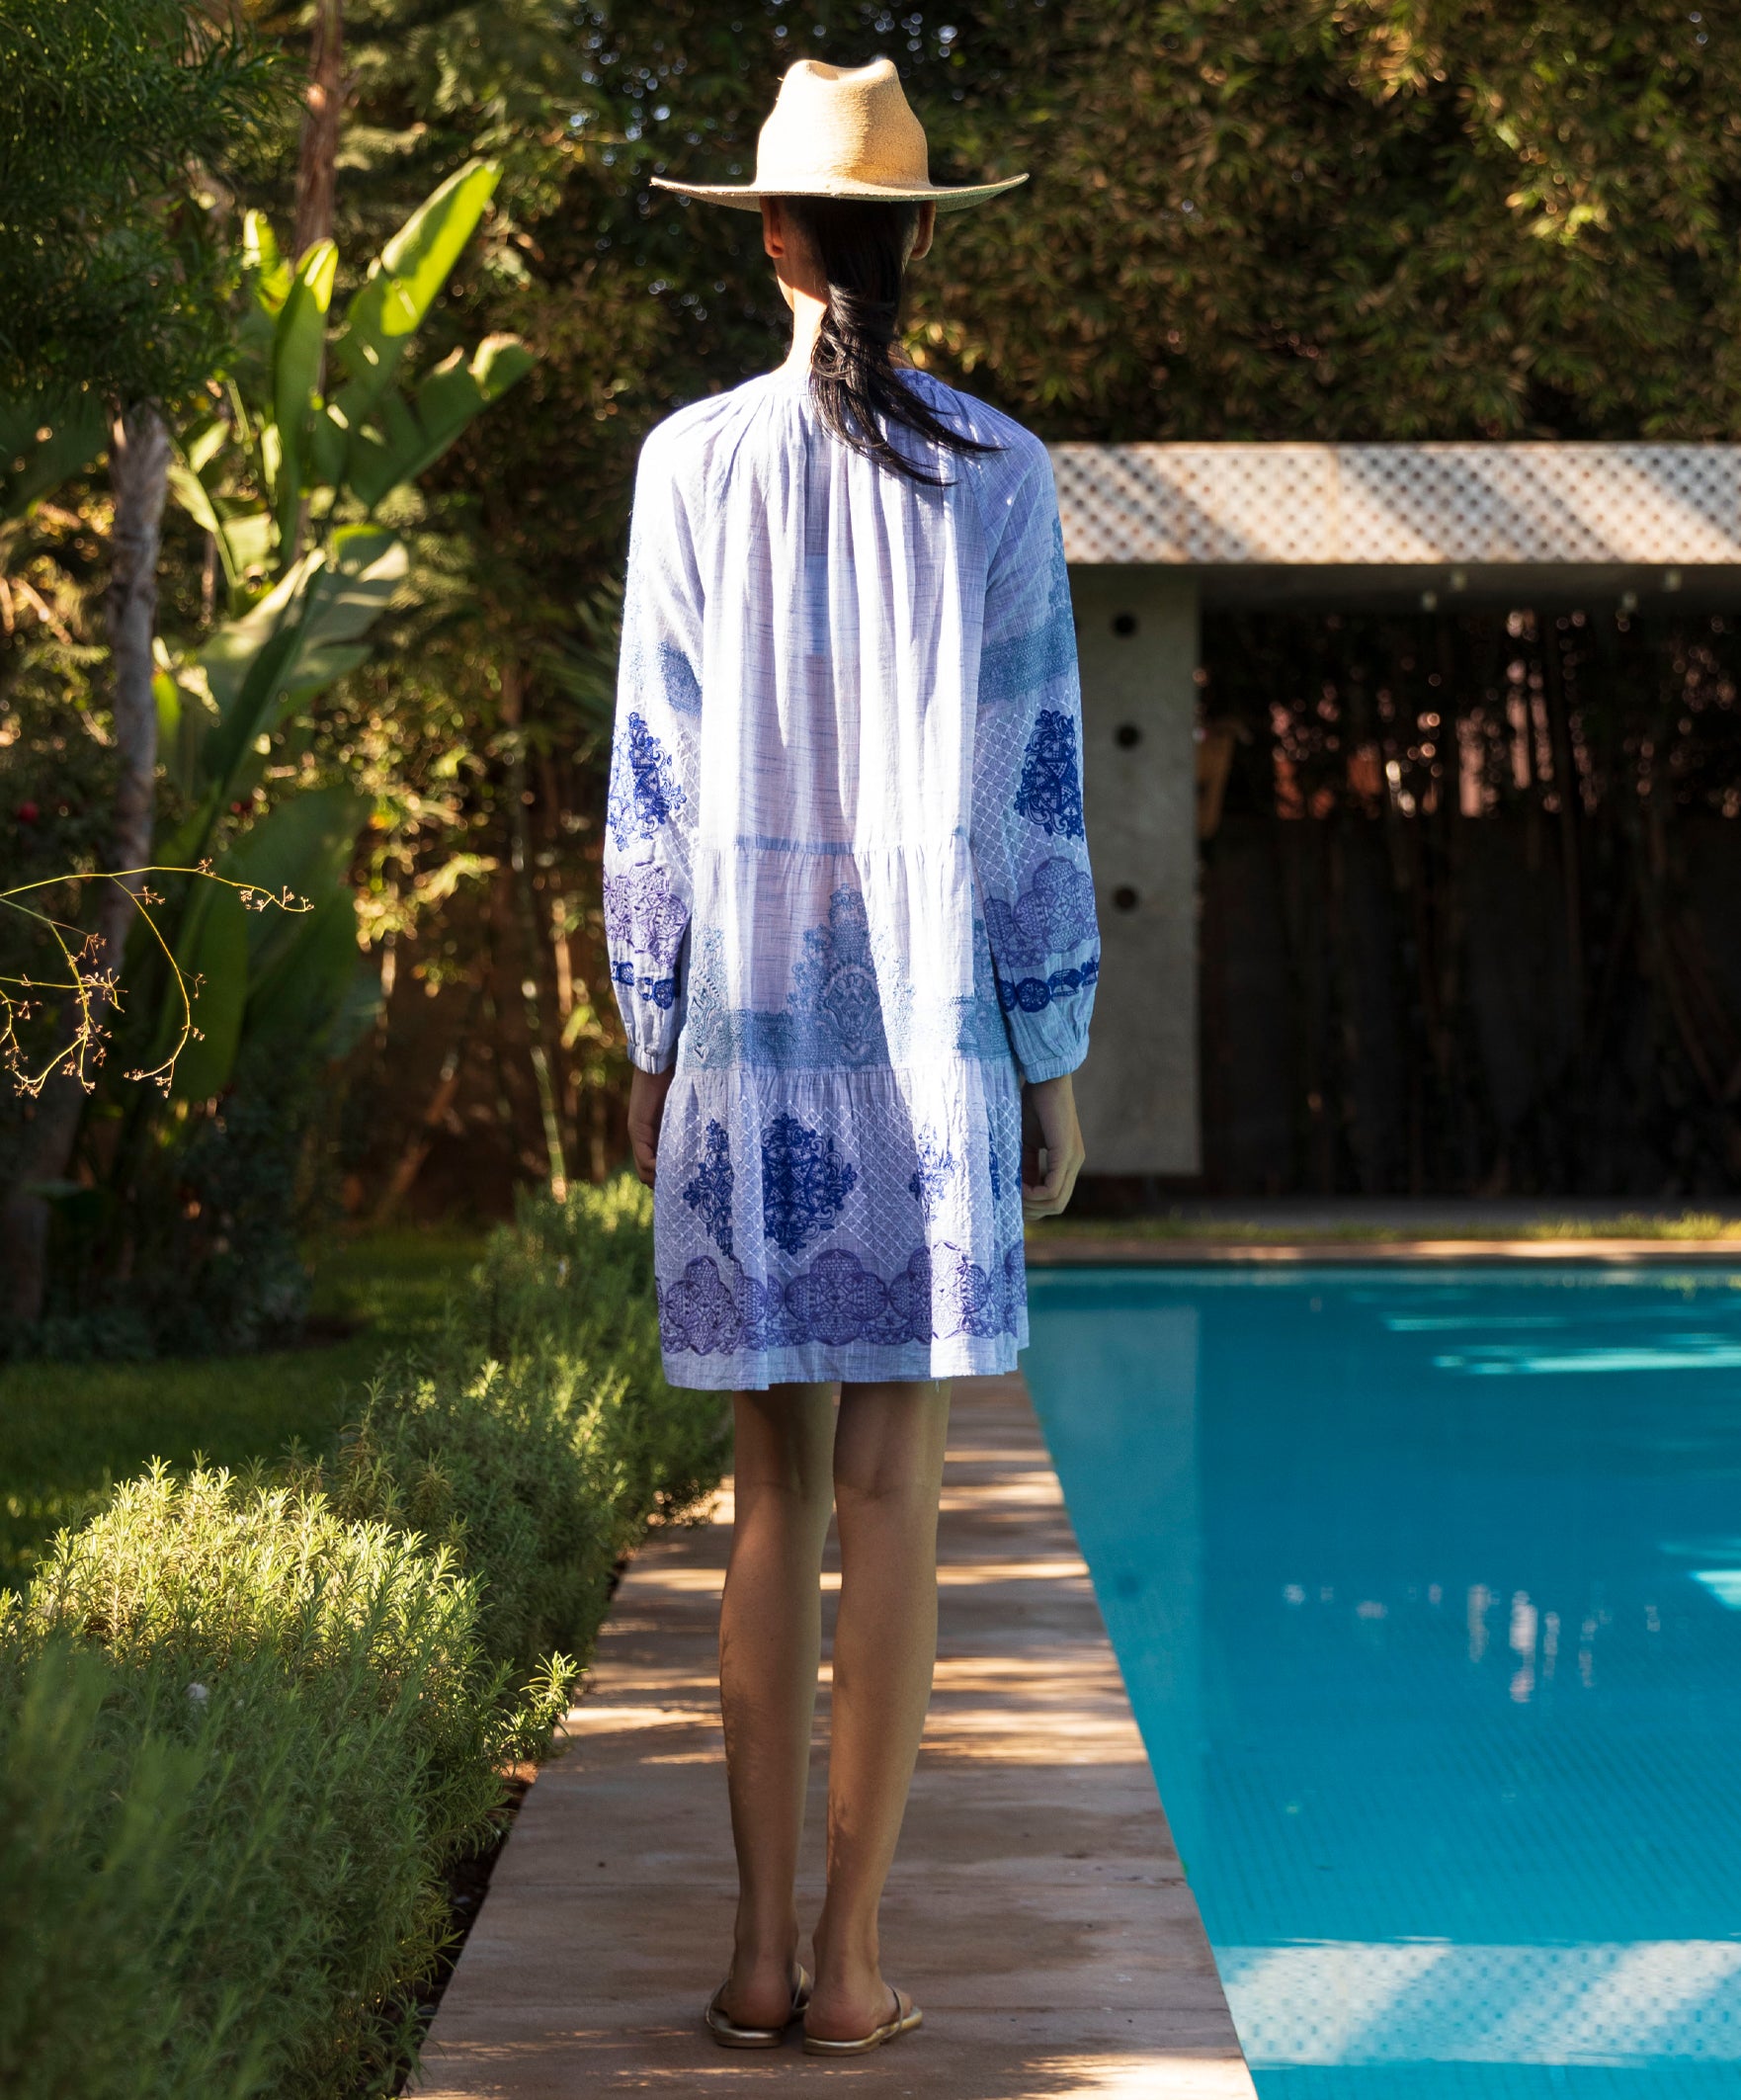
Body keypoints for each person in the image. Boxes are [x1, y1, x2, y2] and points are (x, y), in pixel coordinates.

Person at [603, 55, 1097, 2059]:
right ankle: (858, 1963)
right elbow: (1029, 780)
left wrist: (648, 1022)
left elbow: (650, 771)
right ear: (915, 241)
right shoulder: (999, 467)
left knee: (767, 1491)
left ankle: (746, 1952)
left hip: (747, 1023)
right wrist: (1049, 1043)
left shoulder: (685, 462)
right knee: (895, 1484)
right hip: (921, 1031)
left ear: (776, 238)